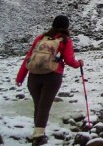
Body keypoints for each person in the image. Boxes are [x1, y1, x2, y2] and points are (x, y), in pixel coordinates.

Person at [15, 15, 84, 146]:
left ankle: (38, 132)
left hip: (34, 76)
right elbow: (69, 60)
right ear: (66, 27)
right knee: (44, 106)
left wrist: (20, 78)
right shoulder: (64, 40)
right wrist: (79, 64)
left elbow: (28, 58)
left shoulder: (41, 38)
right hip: (53, 76)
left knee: (38, 105)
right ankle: (39, 136)